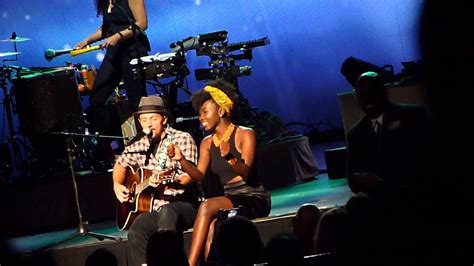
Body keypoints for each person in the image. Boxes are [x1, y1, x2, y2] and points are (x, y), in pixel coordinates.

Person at [167, 79, 271, 266]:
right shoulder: (207, 142)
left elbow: (246, 173)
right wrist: (181, 160)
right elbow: (199, 176)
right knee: (212, 228)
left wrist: (230, 157)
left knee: (206, 207)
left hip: (252, 197)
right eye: (199, 114)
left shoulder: (245, 134)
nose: (201, 117)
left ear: (221, 111)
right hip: (229, 200)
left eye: (205, 112)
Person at [112, 96, 200, 266]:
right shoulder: (138, 144)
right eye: (144, 120)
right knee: (137, 229)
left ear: (164, 119)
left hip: (184, 204)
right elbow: (120, 165)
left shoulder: (181, 139)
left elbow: (190, 177)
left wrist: (170, 181)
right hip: (155, 209)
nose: (149, 124)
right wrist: (117, 185)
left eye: (153, 118)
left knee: (168, 211)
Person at [75, 0, 151, 164]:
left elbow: (142, 24)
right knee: (97, 98)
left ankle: (148, 148)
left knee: (137, 102)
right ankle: (111, 146)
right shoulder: (107, 2)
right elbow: (107, 29)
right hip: (115, 53)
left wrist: (119, 36)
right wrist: (87, 41)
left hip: (132, 51)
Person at [346, 71, 430, 199]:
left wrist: (387, 183)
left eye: (371, 92)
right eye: (362, 94)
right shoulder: (356, 134)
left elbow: (423, 162)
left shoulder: (412, 117)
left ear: (383, 91)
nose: (367, 99)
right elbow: (352, 178)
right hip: (375, 202)